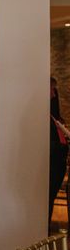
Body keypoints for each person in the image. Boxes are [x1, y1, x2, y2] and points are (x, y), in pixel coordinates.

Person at [49, 76, 68, 224]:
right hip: (54, 162)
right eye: (52, 90)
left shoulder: (55, 116)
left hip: (59, 161)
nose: (54, 94)